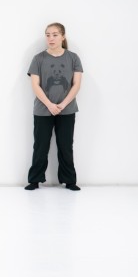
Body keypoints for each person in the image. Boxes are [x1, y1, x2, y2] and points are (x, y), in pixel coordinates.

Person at [25, 22, 83, 191]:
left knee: (65, 145)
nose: (51, 38)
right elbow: (35, 85)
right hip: (43, 110)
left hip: (67, 109)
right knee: (40, 145)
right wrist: (50, 105)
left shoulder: (73, 58)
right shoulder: (38, 59)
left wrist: (63, 104)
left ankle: (69, 180)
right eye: (48, 34)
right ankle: (34, 180)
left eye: (55, 34)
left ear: (63, 36)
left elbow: (76, 84)